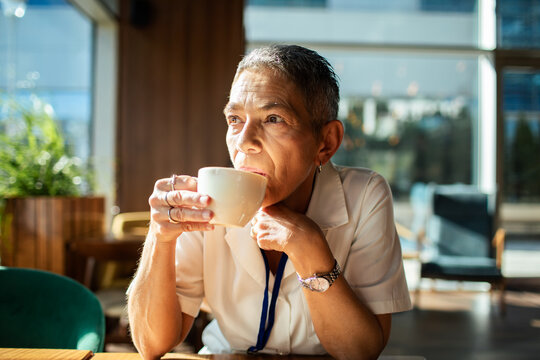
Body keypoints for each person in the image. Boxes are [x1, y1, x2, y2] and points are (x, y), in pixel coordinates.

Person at [127, 44, 412, 360]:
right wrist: (160, 238)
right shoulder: (207, 199)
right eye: (235, 119)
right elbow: (151, 344)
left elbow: (360, 352)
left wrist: (308, 248)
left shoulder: (365, 196)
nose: (244, 142)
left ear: (326, 143)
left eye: (274, 118)